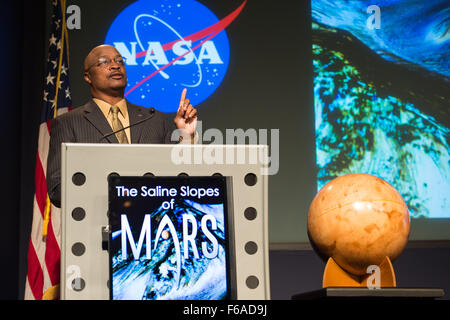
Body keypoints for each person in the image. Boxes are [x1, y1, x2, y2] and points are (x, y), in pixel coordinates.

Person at [47, 44, 198, 207]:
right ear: (88, 77)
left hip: (151, 224)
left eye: (120, 61)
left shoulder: (154, 119)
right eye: (104, 62)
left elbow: (180, 179)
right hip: (98, 226)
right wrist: (119, 192)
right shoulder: (68, 123)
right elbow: (57, 189)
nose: (115, 65)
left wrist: (185, 134)